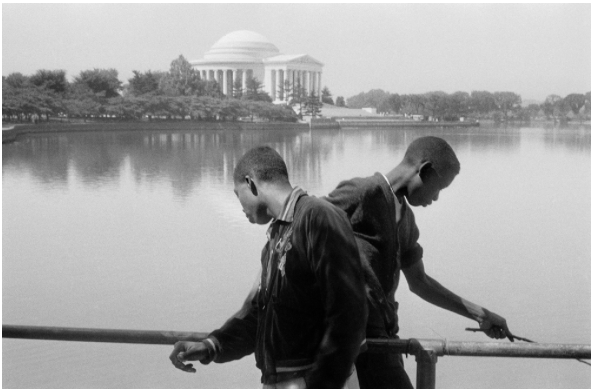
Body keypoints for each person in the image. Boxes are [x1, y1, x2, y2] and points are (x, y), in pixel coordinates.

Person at [169, 146, 367, 388]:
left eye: (237, 194)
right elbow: (257, 316)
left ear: (250, 183)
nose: (240, 206)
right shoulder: (276, 237)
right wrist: (211, 346)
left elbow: (350, 313)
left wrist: (322, 382)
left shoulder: (317, 216)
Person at [324, 136, 513, 388]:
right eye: (438, 188)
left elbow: (419, 282)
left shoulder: (406, 221)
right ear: (423, 170)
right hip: (353, 341)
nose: (435, 198)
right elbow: (300, 226)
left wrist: (479, 314)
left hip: (385, 341)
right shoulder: (362, 193)